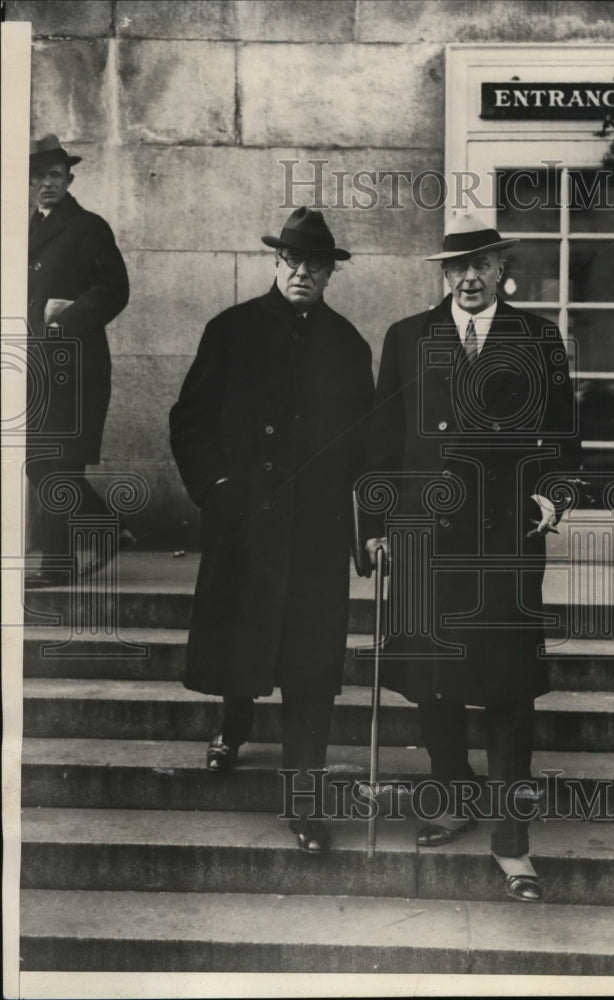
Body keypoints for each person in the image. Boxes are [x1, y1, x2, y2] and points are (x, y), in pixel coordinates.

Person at [363, 211, 580, 901]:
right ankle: (453, 796)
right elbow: (383, 437)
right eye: (455, 268)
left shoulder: (536, 338)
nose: (467, 279)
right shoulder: (407, 338)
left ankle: (512, 841)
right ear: (442, 274)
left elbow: (563, 441)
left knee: (509, 691)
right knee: (434, 681)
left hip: (503, 544)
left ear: (499, 269)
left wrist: (547, 501)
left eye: (479, 266)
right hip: (426, 537)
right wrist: (374, 524)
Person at [169, 207, 374, 855]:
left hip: (314, 530)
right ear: (274, 262)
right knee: (243, 643)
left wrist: (367, 526)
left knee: (309, 666)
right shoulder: (229, 330)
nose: (302, 273)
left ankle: (304, 801)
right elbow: (190, 421)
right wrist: (218, 489)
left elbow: (366, 447)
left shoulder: (347, 346)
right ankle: (231, 726)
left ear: (329, 273)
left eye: (315, 264)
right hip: (245, 523)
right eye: (291, 260)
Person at [26, 134, 132, 588]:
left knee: (59, 460)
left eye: (53, 175)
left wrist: (64, 321)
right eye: (37, 177)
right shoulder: (26, 228)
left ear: (69, 179)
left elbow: (114, 290)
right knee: (38, 460)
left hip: (74, 366)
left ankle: (58, 565)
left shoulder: (89, 226)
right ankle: (107, 526)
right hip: (35, 367)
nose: (46, 184)